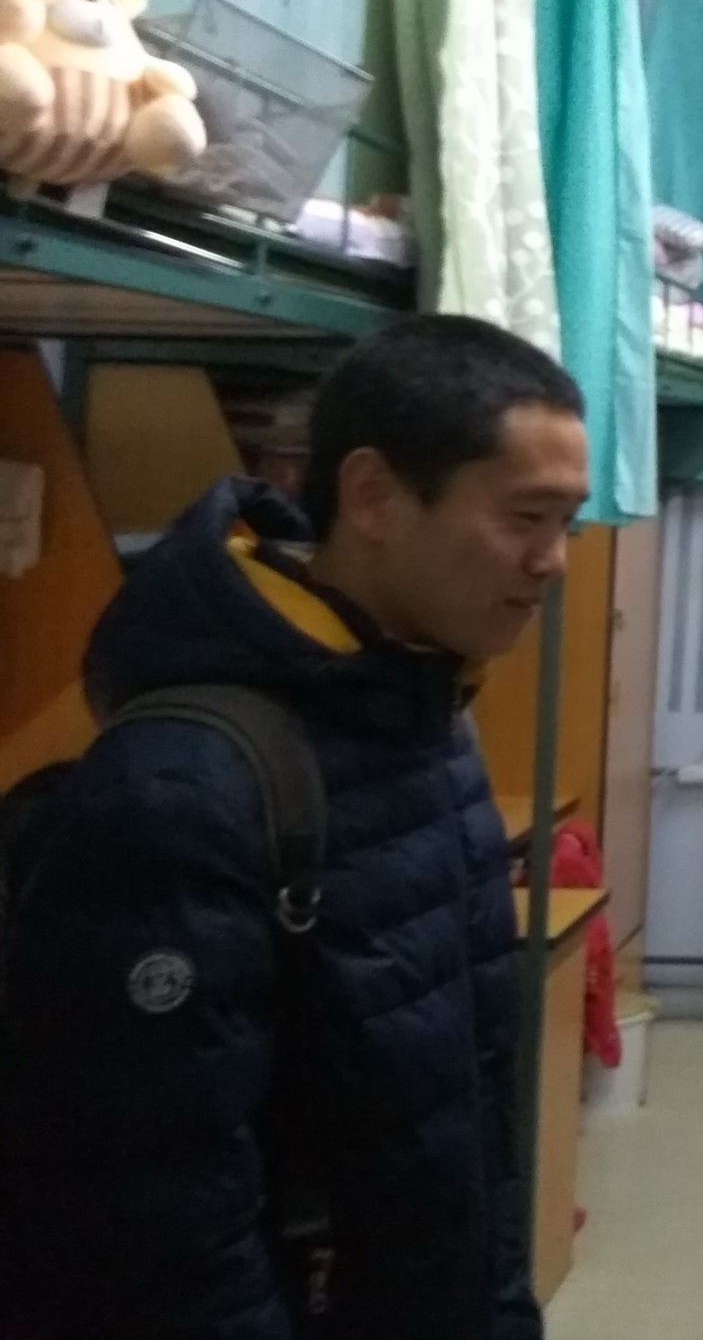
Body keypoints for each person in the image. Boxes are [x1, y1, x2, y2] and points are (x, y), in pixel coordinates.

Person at [0, 314, 587, 1340]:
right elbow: (158, 1226)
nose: (556, 561)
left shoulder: (428, 722)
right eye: (526, 517)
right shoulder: (182, 790)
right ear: (373, 496)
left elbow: (470, 1116)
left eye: (567, 521)